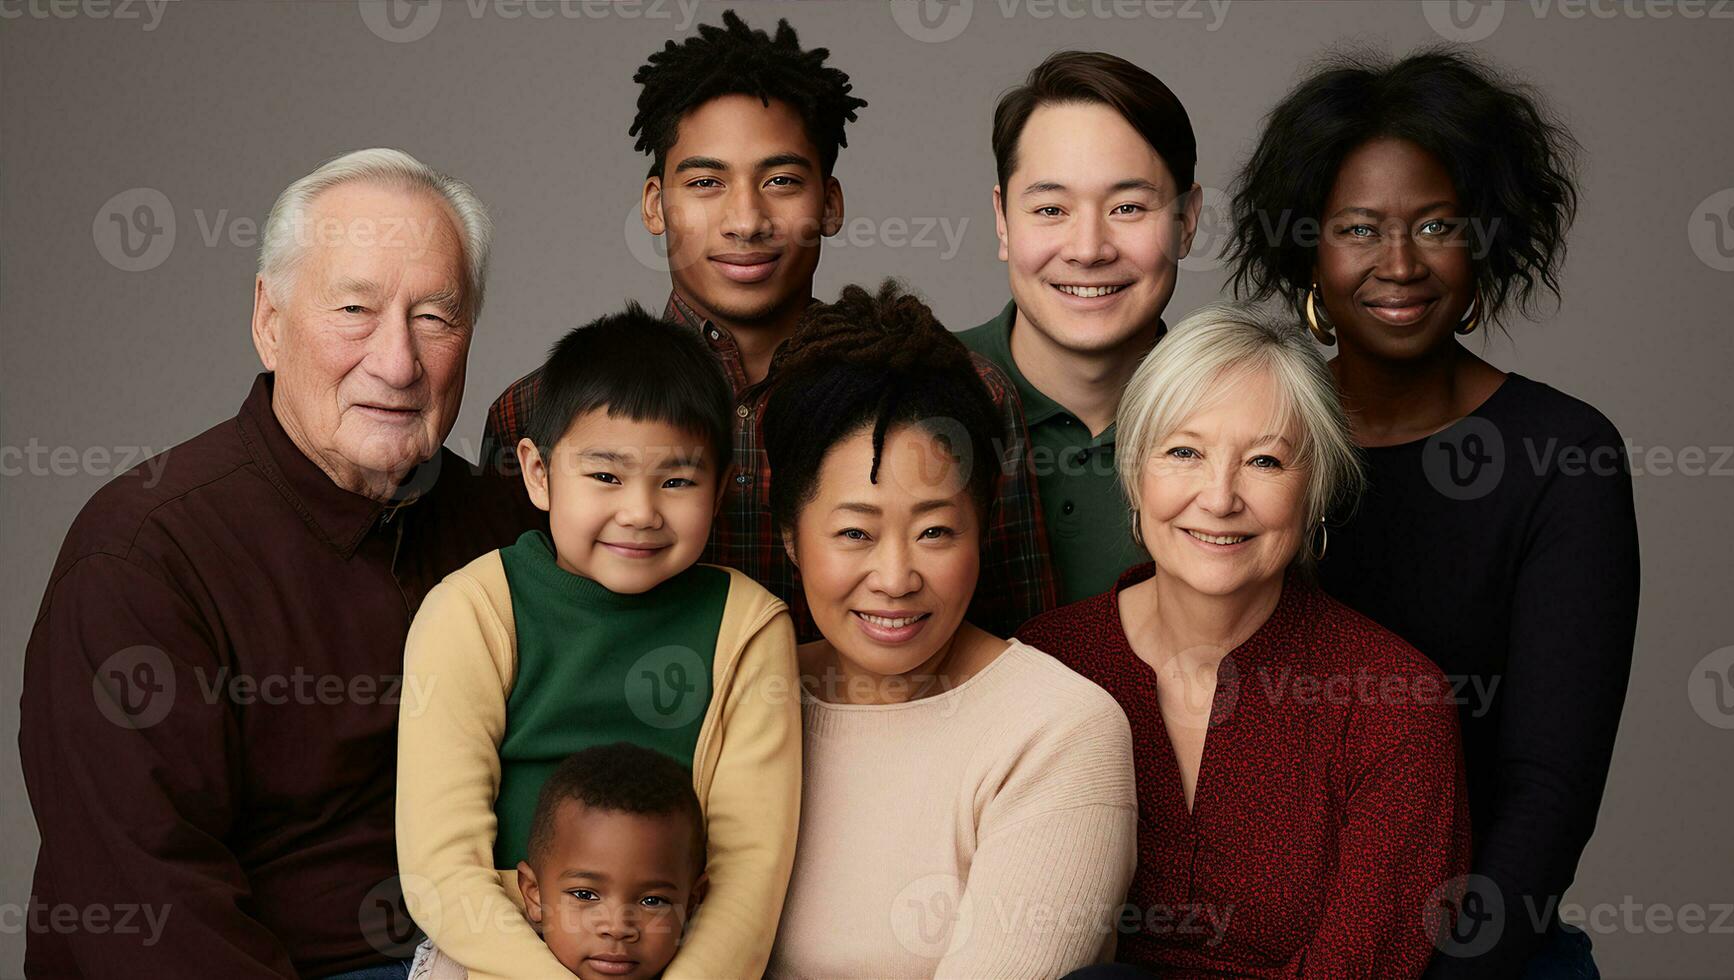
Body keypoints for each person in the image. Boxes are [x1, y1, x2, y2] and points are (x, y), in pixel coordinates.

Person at [18, 148, 530, 977]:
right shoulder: (144, 555)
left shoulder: (502, 531)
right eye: (355, 309)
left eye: (436, 317)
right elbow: (148, 908)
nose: (398, 364)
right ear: (269, 318)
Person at [1225, 48, 1638, 979]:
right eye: (1358, 228)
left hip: (1479, 951)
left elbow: (1548, 792)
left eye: (1436, 225)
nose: (1399, 264)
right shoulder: (1250, 438)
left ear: (1483, 240)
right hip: (1258, 947)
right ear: (1308, 247)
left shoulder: (1562, 455)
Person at [480, 10, 1056, 641]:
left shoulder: (960, 397)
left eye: (781, 180)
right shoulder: (538, 412)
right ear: (654, 205)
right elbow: (498, 640)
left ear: (830, 203)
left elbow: (1020, 647)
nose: (746, 219)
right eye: (705, 182)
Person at [1026, 304, 1469, 977]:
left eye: (1264, 460)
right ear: (1134, 471)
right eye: (1183, 452)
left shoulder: (1394, 703)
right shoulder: (1043, 665)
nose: (1220, 496)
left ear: (1314, 489)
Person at [396, 309, 800, 980]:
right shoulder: (472, 610)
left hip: (678, 953)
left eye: (676, 481)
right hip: (498, 952)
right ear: (539, 473)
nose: (640, 511)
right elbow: (442, 865)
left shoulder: (748, 626)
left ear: (721, 488)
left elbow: (748, 874)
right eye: (606, 477)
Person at [761, 281, 1136, 979]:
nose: (896, 576)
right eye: (854, 533)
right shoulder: (742, 697)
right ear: (790, 534)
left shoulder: (1056, 729)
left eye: (935, 530)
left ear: (985, 521)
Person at [959, 50, 1201, 604]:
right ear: (1002, 220)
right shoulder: (907, 398)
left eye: (1128, 208)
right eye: (1050, 210)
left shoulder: (1240, 417)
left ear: (1186, 222)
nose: (1088, 250)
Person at [410, 743, 710, 980]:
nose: (617, 927)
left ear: (693, 902)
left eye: (653, 901)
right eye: (585, 894)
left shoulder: (718, 967)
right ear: (534, 893)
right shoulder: (460, 970)